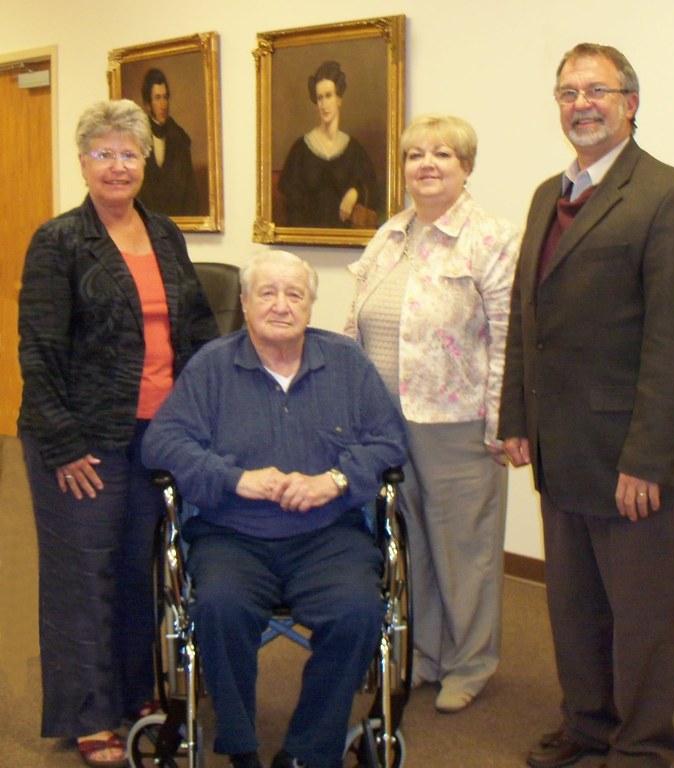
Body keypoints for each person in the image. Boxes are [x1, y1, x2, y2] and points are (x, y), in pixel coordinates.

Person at [498, 43, 674, 768]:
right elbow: (526, 316)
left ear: (629, 103)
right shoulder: (544, 195)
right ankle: (587, 727)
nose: (579, 103)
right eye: (566, 91)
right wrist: (514, 419)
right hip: (561, 449)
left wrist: (647, 459)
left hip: (632, 457)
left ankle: (641, 746)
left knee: (643, 618)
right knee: (574, 608)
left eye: (596, 89)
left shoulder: (670, 195)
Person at [141, 251, 407, 768]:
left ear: (310, 305)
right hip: (232, 535)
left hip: (328, 536)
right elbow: (162, 442)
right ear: (243, 303)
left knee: (359, 612)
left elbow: (390, 440)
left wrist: (335, 481)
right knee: (218, 608)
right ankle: (241, 746)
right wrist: (234, 478)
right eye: (267, 293)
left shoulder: (347, 363)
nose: (281, 306)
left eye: (294, 294)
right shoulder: (213, 366)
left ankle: (309, 750)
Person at [17, 99, 218, 768]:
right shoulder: (59, 240)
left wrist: (210, 409)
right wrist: (64, 444)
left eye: (129, 154)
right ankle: (91, 714)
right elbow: (38, 350)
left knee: (140, 573)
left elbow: (193, 329)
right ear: (82, 162)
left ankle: (136, 697)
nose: (117, 166)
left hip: (157, 438)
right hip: (83, 440)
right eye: (103, 153)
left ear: (145, 162)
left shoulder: (164, 233)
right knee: (85, 575)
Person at [345, 114, 521, 714]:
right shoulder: (390, 234)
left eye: (442, 154)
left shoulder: (491, 238)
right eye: (415, 154)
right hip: (388, 421)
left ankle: (470, 662)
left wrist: (503, 423)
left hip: (456, 422)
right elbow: (355, 321)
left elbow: (506, 338)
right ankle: (423, 653)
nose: (426, 164)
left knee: (464, 550)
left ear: (465, 166)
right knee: (411, 541)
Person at [278, 60, 379, 228]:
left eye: (329, 96)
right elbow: (289, 204)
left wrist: (355, 193)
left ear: (339, 99)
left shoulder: (354, 150)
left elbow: (373, 192)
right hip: (307, 240)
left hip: (347, 244)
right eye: (319, 98)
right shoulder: (300, 150)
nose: (324, 105)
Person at [138, 68, 200, 216]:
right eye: (157, 98)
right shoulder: (136, 138)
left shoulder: (180, 139)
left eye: (165, 97)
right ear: (148, 104)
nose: (163, 104)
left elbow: (190, 193)